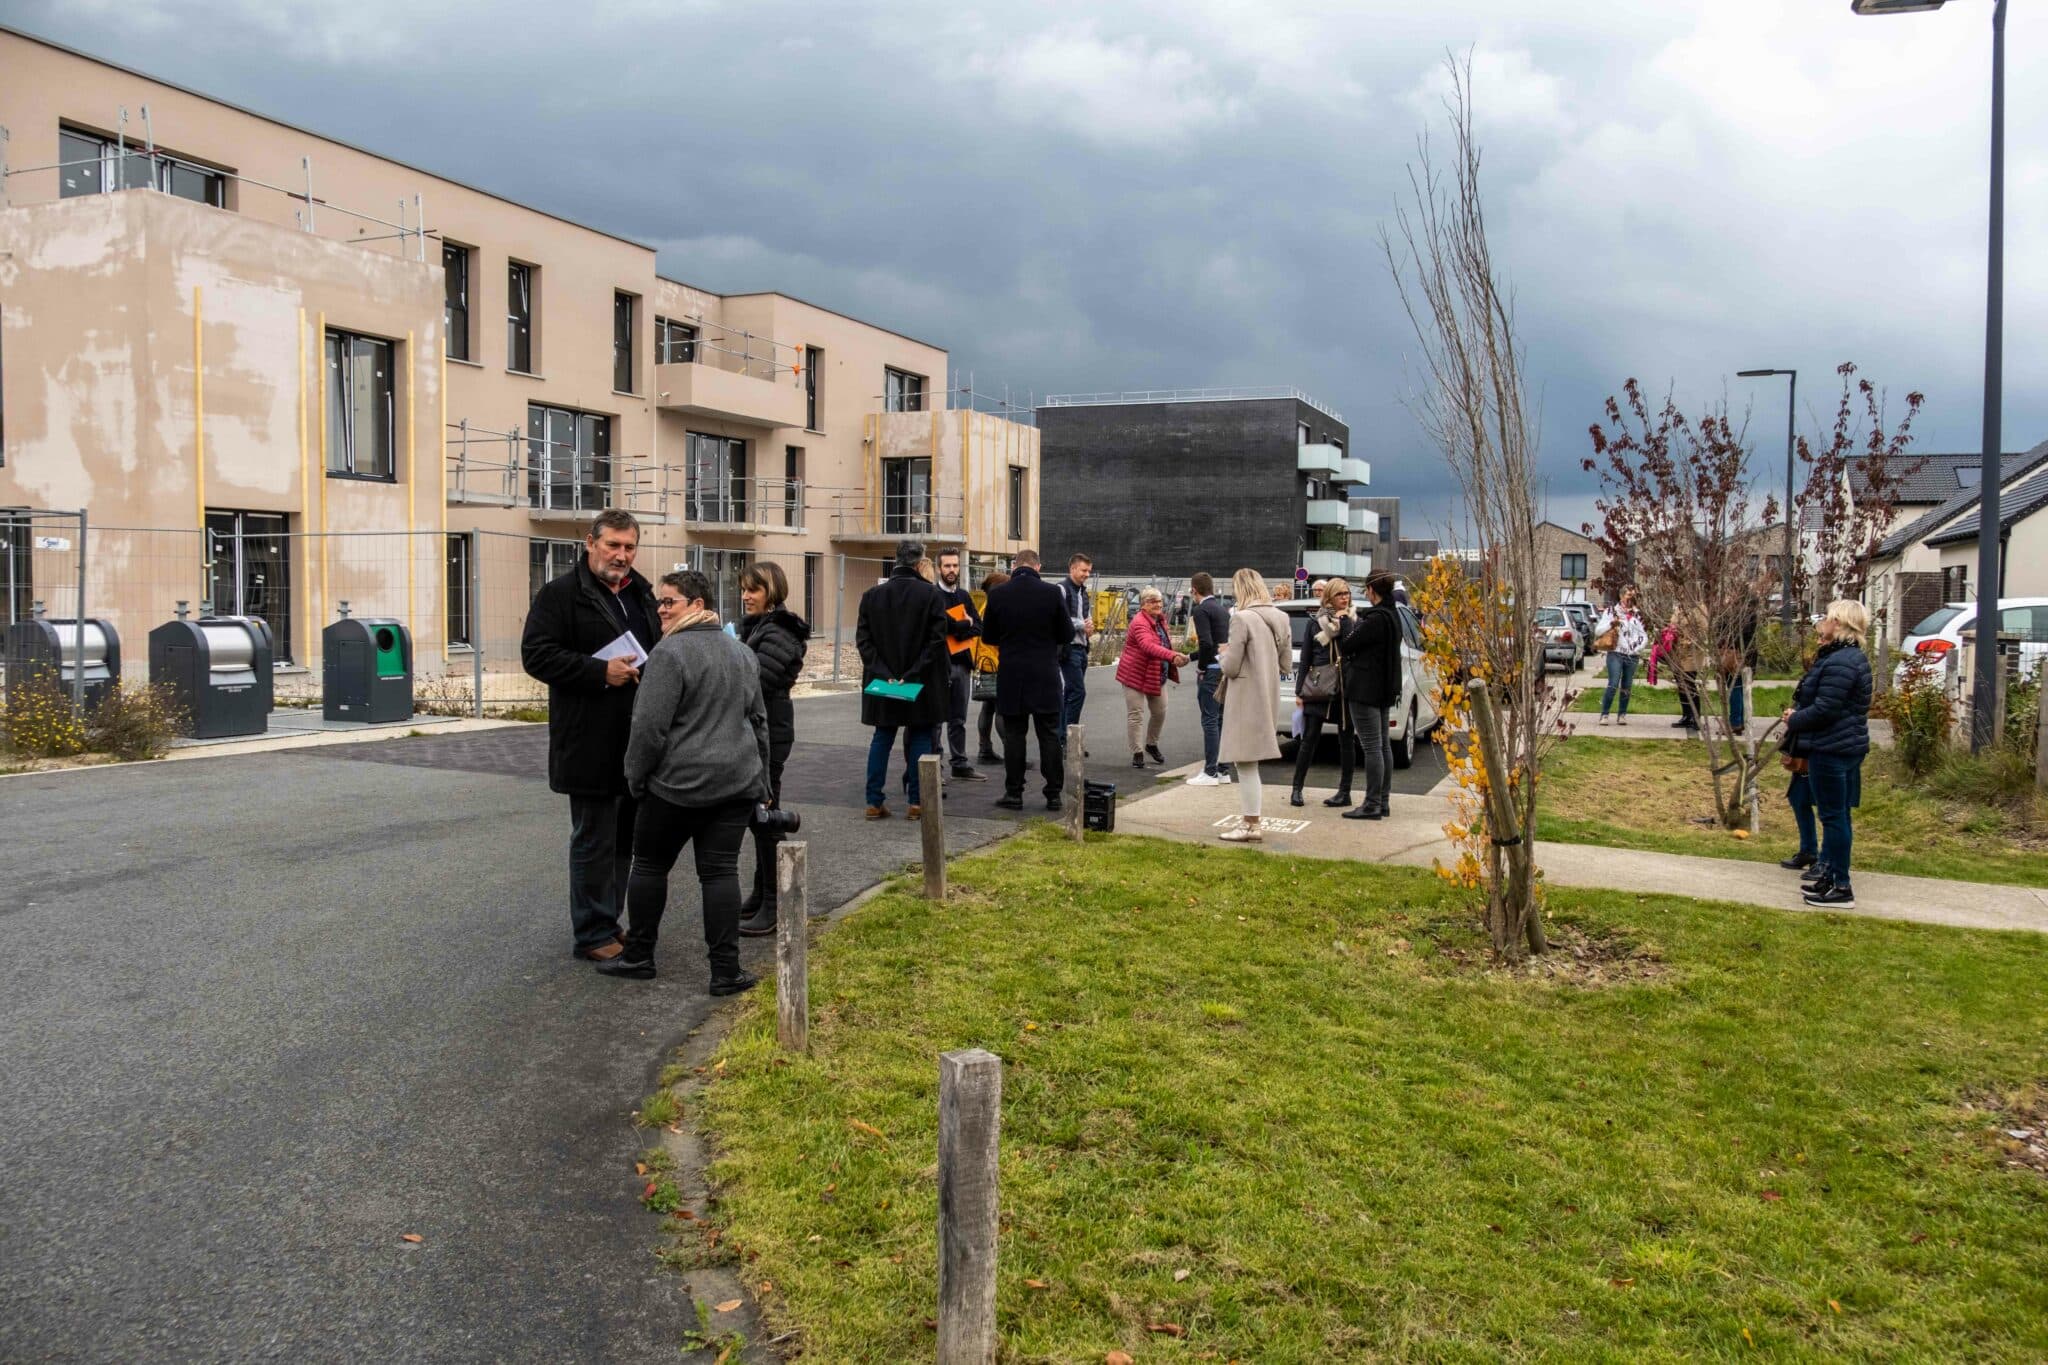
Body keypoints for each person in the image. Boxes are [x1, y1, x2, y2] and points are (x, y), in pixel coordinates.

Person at [600, 570, 771, 990]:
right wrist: (762, 783)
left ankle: (639, 955)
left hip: (673, 787)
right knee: (719, 874)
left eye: (669, 601)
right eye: (659, 601)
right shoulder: (741, 653)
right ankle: (726, 971)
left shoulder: (669, 654)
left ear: (697, 605)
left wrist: (636, 778)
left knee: (650, 866)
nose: (660, 608)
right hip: (734, 783)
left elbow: (647, 728)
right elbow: (758, 722)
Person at [520, 509, 660, 965]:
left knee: (624, 839)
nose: (621, 555)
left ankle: (609, 919)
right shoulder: (559, 595)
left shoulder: (641, 592)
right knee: (593, 839)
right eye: (613, 545)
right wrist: (600, 671)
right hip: (587, 740)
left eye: (629, 547)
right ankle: (591, 932)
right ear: (590, 543)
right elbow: (536, 656)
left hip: (634, 739)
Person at [1782, 600, 1873, 910]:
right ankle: (1832, 874)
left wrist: (1794, 719)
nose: (1823, 624)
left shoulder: (1841, 662)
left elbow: (1826, 709)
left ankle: (1841, 885)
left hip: (1832, 747)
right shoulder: (1849, 658)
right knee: (1838, 814)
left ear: (1841, 624)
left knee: (1833, 816)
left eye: (1829, 619)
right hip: (1844, 744)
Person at [735, 561, 808, 938]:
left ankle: (776, 902)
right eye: (745, 588)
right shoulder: (763, 626)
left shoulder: (778, 629)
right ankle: (762, 893)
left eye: (755, 590)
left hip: (770, 729)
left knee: (765, 815)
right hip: (763, 726)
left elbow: (759, 679)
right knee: (758, 813)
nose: (746, 595)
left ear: (772, 592)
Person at [855, 539, 950, 820]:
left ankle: (874, 801)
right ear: (921, 563)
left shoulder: (871, 596)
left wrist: (885, 673)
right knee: (921, 734)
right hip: (920, 681)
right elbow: (936, 642)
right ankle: (916, 802)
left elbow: (864, 641)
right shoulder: (931, 595)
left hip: (882, 681)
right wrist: (912, 673)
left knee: (882, 736)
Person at [981, 549, 1071, 811]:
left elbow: (988, 637)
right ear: (1038, 567)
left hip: (1012, 674)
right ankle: (1053, 793)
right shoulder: (1053, 593)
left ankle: (1014, 793)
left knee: (1014, 735)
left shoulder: (998, 595)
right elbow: (1065, 634)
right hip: (1045, 673)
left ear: (1014, 567)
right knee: (1050, 735)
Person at [1215, 568, 1291, 842]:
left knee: (1244, 762)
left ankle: (1251, 823)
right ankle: (1251, 822)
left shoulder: (1241, 619)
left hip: (1246, 694)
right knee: (1250, 762)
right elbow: (1285, 665)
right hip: (1268, 692)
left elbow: (1232, 667)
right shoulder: (1281, 617)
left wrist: (1222, 655)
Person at [1335, 572, 1403, 820]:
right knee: (1383, 745)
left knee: (1372, 747)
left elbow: (1349, 644)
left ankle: (1372, 803)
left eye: (1366, 589)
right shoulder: (1393, 615)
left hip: (1365, 689)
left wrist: (1345, 622)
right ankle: (1382, 801)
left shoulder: (1374, 618)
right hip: (1384, 688)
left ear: (1372, 590)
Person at [1289, 578, 1357, 808]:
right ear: (1329, 597)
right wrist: (1299, 692)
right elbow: (1306, 658)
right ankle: (1296, 789)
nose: (1345, 598)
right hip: (1319, 687)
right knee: (1309, 740)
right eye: (1339, 594)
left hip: (1345, 689)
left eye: (1347, 593)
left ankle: (1344, 791)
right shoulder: (1316, 623)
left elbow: (1353, 649)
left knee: (1347, 741)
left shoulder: (1354, 620)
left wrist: (1345, 621)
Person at [1114, 586, 1186, 769]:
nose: (1157, 604)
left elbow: (1163, 643)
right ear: (1143, 605)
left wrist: (1173, 656)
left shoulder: (1160, 620)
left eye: (1159, 601)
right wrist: (1172, 656)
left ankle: (1151, 744)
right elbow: (1148, 646)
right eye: (1152, 601)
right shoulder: (1139, 622)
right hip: (1134, 674)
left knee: (1160, 711)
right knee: (1136, 714)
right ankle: (1137, 752)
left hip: (1155, 673)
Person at [934, 548, 985, 782]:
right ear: (938, 568)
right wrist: (962, 625)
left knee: (958, 719)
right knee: (936, 721)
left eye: (955, 566)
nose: (952, 570)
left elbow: (979, 627)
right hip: (939, 666)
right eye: (947, 566)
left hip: (962, 665)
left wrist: (959, 626)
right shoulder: (932, 596)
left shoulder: (964, 596)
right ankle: (935, 767)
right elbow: (937, 628)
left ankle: (960, 763)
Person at [1186, 572, 1234, 786]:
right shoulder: (1223, 611)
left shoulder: (1201, 610)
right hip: (1225, 668)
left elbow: (1206, 643)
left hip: (1211, 671)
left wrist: (1201, 667)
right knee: (1221, 719)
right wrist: (1189, 656)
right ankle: (1223, 769)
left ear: (1194, 589)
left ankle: (1210, 771)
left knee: (1209, 719)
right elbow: (1220, 643)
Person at [971, 571, 1018, 770]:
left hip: (984, 662)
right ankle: (1011, 752)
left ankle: (984, 749)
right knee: (1001, 708)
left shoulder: (984, 607)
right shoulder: (996, 609)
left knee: (988, 707)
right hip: (996, 663)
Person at [1592, 588, 1649, 726]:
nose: (1631, 598)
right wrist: (1611, 623)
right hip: (1616, 653)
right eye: (1629, 595)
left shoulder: (1638, 615)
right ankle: (1604, 714)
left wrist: (1636, 648)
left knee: (1627, 685)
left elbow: (1644, 636)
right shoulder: (1611, 612)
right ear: (1622, 596)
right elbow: (1598, 630)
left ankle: (1622, 714)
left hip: (1632, 655)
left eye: (1633, 595)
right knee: (1613, 683)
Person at [1056, 553, 1094, 744]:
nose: (1087, 574)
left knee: (1070, 694)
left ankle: (1064, 738)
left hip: (1082, 648)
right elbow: (1058, 619)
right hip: (1068, 649)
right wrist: (1082, 625)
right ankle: (1069, 740)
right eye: (1083, 570)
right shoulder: (1061, 589)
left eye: (1089, 571)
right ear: (1072, 569)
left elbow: (1086, 617)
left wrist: (1090, 626)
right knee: (1078, 692)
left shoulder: (1082, 592)